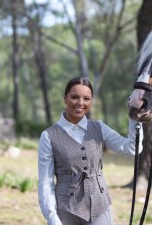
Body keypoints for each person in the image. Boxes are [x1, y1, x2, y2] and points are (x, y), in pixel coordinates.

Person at [38, 77, 143, 225]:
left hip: (100, 206)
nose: (80, 103)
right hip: (65, 210)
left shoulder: (99, 128)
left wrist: (134, 117)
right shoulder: (48, 136)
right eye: (74, 97)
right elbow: (45, 182)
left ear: (91, 101)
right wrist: (52, 217)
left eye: (86, 98)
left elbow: (132, 147)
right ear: (65, 99)